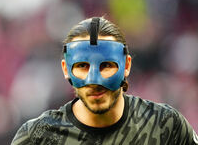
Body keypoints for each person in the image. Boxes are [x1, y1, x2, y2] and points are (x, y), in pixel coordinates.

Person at [11, 17, 198, 145]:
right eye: (82, 66)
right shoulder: (37, 135)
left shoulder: (165, 124)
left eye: (106, 65)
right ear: (66, 69)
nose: (94, 80)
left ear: (126, 66)